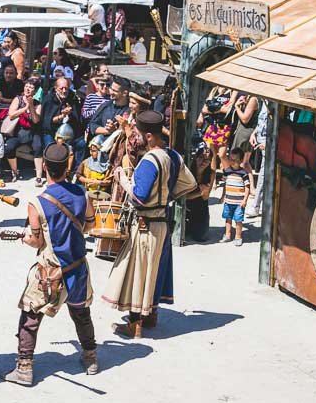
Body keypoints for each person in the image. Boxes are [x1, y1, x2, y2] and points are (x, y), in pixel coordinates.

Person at [3, 142, 99, 385]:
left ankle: (24, 368)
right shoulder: (83, 194)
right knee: (81, 313)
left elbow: (36, 242)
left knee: (30, 315)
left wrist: (26, 238)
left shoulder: (37, 202)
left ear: (44, 166)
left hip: (50, 271)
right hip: (77, 268)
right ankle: (90, 358)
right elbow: (89, 225)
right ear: (67, 166)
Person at [101, 111, 198, 337]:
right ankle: (151, 315)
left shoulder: (149, 160)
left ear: (149, 137)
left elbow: (139, 196)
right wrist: (166, 196)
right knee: (156, 271)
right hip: (163, 222)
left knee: (139, 272)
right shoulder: (173, 156)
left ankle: (135, 324)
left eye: (141, 135)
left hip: (146, 224)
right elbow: (190, 184)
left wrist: (122, 178)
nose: (138, 138)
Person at [4, 78, 43, 184]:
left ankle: (38, 177)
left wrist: (30, 105)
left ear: (35, 91)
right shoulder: (18, 99)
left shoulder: (38, 104)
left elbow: (35, 120)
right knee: (9, 147)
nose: (28, 89)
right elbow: (11, 114)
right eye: (27, 86)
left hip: (32, 131)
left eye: (31, 87)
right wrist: (24, 108)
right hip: (18, 131)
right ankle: (15, 171)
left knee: (38, 147)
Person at [42, 77, 84, 167]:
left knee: (81, 144)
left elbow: (77, 120)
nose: (64, 91)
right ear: (56, 88)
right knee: (50, 147)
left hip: (70, 131)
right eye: (61, 88)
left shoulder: (73, 98)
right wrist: (62, 115)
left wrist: (70, 114)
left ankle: (76, 171)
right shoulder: (49, 100)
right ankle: (52, 170)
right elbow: (47, 122)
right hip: (52, 131)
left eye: (66, 88)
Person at [219, 147, 250, 246]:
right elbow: (225, 184)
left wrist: (245, 200)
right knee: (228, 218)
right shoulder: (227, 171)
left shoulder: (243, 173)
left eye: (235, 160)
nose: (232, 162)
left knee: (238, 220)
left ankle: (238, 236)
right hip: (228, 201)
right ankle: (227, 235)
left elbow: (247, 187)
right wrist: (223, 196)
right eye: (231, 159)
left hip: (239, 203)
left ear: (241, 161)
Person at [185, 143, 214, 242]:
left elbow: (205, 197)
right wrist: (199, 193)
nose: (203, 162)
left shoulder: (211, 173)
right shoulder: (188, 170)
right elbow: (183, 197)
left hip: (201, 206)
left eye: (207, 160)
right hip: (187, 206)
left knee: (200, 237)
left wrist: (201, 193)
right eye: (201, 157)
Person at [246, 100, 270, 218]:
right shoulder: (263, 102)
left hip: (267, 144)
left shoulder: (273, 104)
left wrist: (268, 142)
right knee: (263, 174)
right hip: (260, 142)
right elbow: (261, 122)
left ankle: (256, 206)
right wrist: (254, 134)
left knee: (263, 175)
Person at [88, 77, 131, 142]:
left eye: (115, 91)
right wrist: (107, 131)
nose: (111, 92)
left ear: (124, 93)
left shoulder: (130, 110)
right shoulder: (105, 106)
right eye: (111, 89)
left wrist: (115, 130)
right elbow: (93, 125)